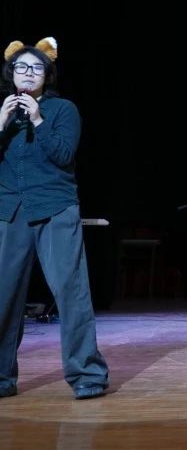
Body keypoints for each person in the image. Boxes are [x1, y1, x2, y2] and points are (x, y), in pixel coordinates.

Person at [0, 37, 109, 400]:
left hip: (55, 208)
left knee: (70, 292)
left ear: (47, 75)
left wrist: (37, 119)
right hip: (9, 211)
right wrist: (1, 125)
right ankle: (2, 377)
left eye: (36, 68)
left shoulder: (63, 110)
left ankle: (87, 375)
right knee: (3, 295)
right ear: (11, 73)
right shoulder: (2, 111)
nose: (28, 73)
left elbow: (63, 155)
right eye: (21, 67)